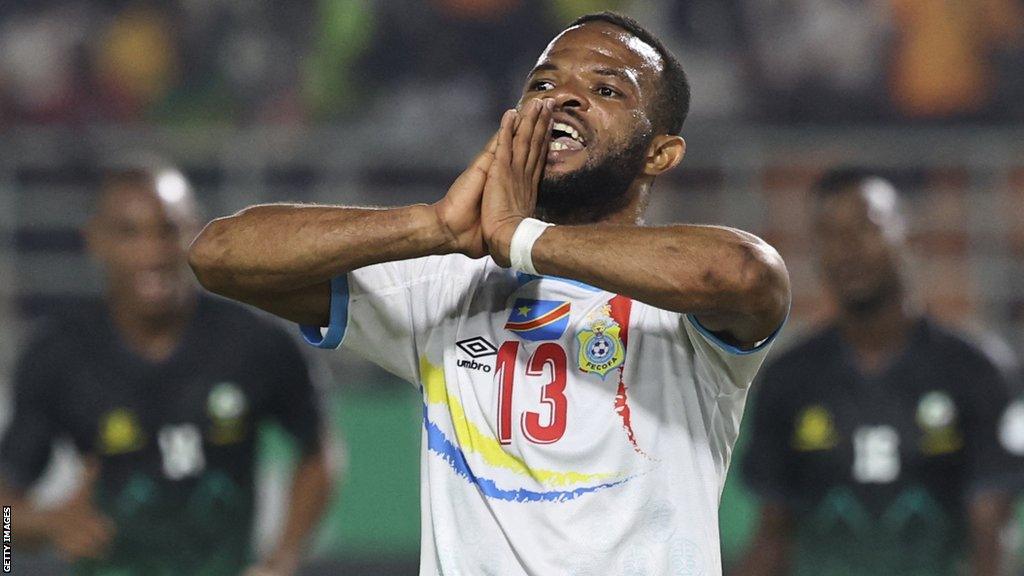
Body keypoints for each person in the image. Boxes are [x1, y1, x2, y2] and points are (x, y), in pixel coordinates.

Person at [190, 11, 790, 575]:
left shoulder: (681, 307)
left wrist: (523, 239)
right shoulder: (445, 288)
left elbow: (741, 273)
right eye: (542, 84)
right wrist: (432, 226)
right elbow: (219, 255)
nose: (564, 98)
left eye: (607, 90)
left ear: (661, 153)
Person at [0, 166, 335, 576]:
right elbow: (5, 521)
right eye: (129, 233)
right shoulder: (57, 356)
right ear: (95, 240)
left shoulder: (256, 342)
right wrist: (46, 526)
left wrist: (284, 559)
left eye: (168, 230)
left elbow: (319, 456)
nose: (153, 252)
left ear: (195, 233)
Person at [735, 168, 1022, 576]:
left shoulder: (977, 370)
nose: (845, 249)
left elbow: (992, 539)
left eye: (864, 228)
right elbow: (772, 535)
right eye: (827, 234)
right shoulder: (788, 377)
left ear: (912, 238)